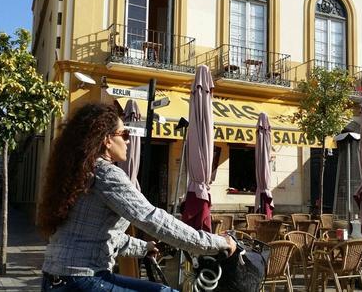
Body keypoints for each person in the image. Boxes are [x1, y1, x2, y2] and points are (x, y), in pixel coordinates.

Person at [37, 103, 236, 292]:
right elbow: (152, 218)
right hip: (82, 280)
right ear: (107, 140)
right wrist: (216, 243)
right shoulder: (107, 174)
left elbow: (99, 235)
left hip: (55, 280)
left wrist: (143, 247)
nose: (128, 140)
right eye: (124, 134)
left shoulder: (80, 172)